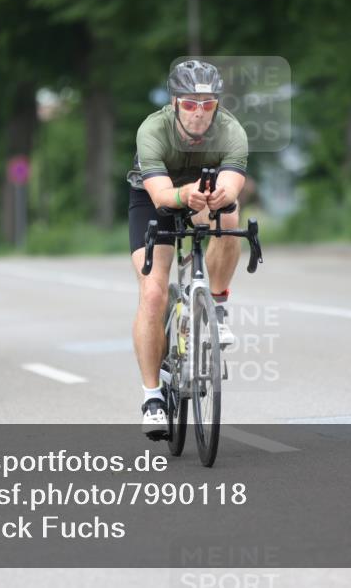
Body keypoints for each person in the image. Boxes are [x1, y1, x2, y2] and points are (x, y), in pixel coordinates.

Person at [127, 60, 249, 439]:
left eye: (208, 104)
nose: (199, 112)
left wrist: (219, 197)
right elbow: (162, 195)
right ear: (175, 102)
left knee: (230, 217)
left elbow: (231, 184)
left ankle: (217, 304)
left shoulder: (231, 130)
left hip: (203, 195)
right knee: (153, 292)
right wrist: (185, 195)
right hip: (156, 197)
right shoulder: (152, 129)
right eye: (191, 103)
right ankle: (151, 398)